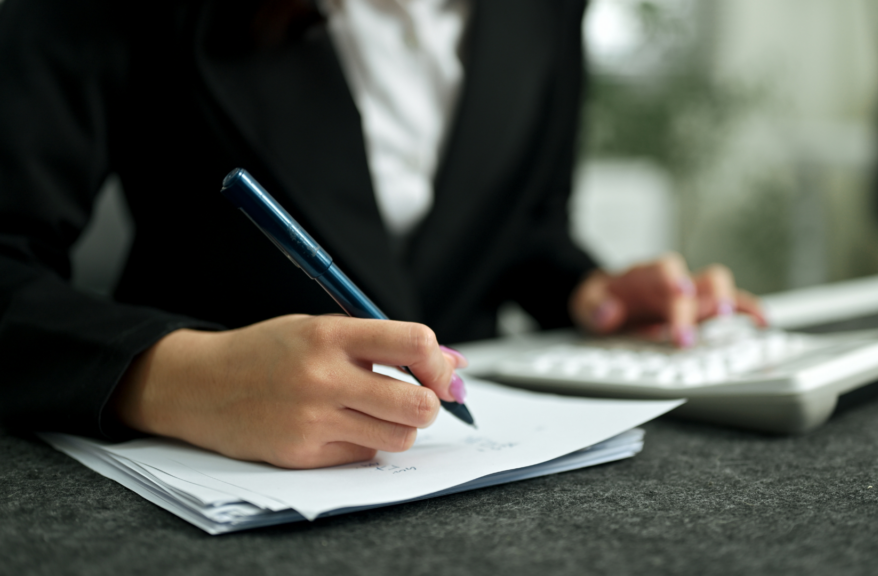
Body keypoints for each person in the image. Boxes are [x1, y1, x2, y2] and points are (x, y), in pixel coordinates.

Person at [0, 0, 762, 469]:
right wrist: (177, 377)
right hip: (207, 490)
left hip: (466, 473)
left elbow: (524, 222)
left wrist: (586, 292)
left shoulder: (548, 10)